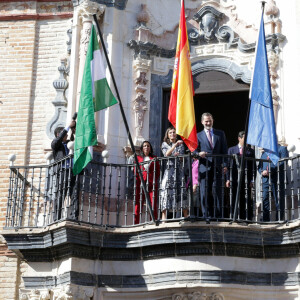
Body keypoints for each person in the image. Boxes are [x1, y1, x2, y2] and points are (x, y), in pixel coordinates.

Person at [194, 112, 228, 219]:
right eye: (206, 121)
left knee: (218, 192)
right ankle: (206, 215)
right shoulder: (197, 135)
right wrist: (199, 154)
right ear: (202, 122)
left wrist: (225, 164)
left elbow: (224, 151)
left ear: (213, 121)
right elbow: (193, 152)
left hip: (218, 167)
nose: (208, 123)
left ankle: (218, 215)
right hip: (204, 168)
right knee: (204, 192)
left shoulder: (220, 134)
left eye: (210, 121)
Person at [51, 120, 77, 220]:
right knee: (60, 195)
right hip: (62, 171)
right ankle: (56, 218)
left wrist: (73, 130)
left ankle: (74, 216)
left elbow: (75, 141)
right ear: (59, 134)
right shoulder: (56, 144)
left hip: (72, 171)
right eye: (63, 133)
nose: (66, 135)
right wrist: (67, 127)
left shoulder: (69, 143)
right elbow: (57, 141)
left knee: (74, 195)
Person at [226, 131, 256, 220]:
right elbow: (228, 166)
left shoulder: (251, 151)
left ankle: (244, 217)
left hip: (246, 179)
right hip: (234, 178)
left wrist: (252, 180)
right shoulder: (231, 150)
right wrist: (228, 179)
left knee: (245, 198)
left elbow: (253, 166)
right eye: (245, 138)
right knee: (234, 197)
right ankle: (234, 217)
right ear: (239, 138)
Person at [160, 127, 188, 220]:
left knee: (181, 191)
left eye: (174, 132)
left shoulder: (181, 145)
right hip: (169, 171)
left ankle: (186, 215)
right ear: (167, 135)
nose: (172, 134)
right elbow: (166, 154)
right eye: (170, 133)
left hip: (178, 172)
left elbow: (181, 157)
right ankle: (164, 218)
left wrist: (179, 156)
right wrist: (175, 145)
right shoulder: (165, 144)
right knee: (166, 191)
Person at [258, 145, 289, 221]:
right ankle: (266, 220)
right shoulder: (265, 152)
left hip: (277, 178)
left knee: (278, 200)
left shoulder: (282, 149)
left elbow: (283, 163)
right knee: (265, 199)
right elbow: (259, 166)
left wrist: (270, 170)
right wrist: (262, 172)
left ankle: (279, 220)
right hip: (266, 179)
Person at [134, 141, 160, 224]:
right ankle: (136, 223)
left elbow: (158, 171)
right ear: (142, 148)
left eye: (148, 146)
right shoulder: (138, 158)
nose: (146, 147)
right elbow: (135, 171)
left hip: (151, 183)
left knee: (152, 203)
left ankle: (153, 221)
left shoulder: (154, 158)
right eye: (144, 146)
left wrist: (153, 179)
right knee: (138, 203)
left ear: (150, 148)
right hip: (140, 183)